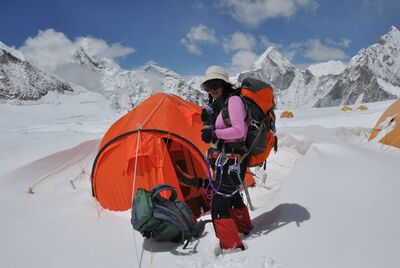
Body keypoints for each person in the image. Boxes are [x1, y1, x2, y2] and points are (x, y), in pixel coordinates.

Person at [177, 66, 253, 251]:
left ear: (225, 84)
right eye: (208, 86)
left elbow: (238, 131)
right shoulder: (221, 103)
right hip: (227, 160)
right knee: (232, 195)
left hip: (232, 161)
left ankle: (231, 247)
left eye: (216, 84)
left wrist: (214, 133)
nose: (212, 89)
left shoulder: (233, 101)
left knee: (219, 205)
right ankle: (244, 229)